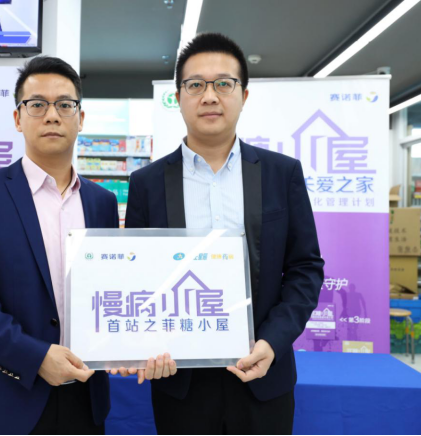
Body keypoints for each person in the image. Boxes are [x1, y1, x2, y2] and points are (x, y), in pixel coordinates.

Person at [0, 56, 172, 435]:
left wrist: (129, 343)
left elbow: (110, 288)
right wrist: (35, 356)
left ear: (81, 118)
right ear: (18, 118)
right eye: (37, 104)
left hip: (85, 396)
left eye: (65, 104)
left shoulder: (101, 202)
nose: (52, 115)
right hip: (7, 397)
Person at [125, 33, 325, 435]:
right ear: (178, 97)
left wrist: (272, 342)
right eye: (195, 85)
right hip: (179, 382)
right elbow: (137, 277)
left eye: (223, 83)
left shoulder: (281, 173)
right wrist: (145, 343)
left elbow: (305, 268)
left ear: (243, 95)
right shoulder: (146, 183)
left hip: (262, 375)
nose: (209, 96)